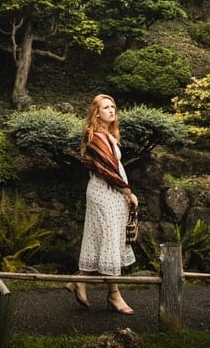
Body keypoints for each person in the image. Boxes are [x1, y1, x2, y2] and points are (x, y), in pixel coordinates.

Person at [66, 93, 138, 314]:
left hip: (111, 194)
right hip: (104, 193)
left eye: (113, 106)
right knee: (108, 240)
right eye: (106, 107)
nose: (111, 110)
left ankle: (78, 280)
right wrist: (128, 192)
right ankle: (114, 295)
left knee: (103, 240)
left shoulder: (107, 135)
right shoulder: (98, 136)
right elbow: (108, 170)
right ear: (96, 113)